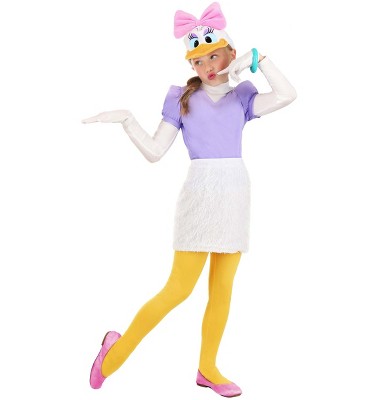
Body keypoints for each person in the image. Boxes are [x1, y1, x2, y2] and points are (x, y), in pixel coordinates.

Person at [82, 2, 296, 397]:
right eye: (198, 60)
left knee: (222, 289)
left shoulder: (243, 96)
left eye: (214, 55)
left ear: (231, 54)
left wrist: (260, 60)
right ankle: (113, 356)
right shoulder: (182, 98)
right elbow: (154, 152)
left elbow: (287, 94)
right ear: (191, 64)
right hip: (200, 196)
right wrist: (128, 120)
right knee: (178, 289)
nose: (207, 65)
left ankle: (208, 368)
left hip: (235, 194)